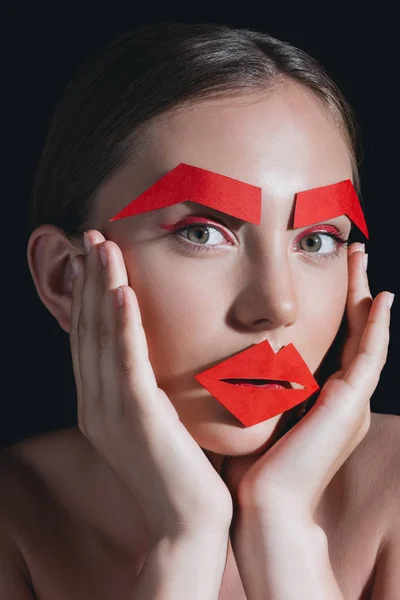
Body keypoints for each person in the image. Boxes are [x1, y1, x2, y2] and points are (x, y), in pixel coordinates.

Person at [0, 22, 398, 599]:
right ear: (66, 277)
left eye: (316, 241)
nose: (277, 306)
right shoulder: (16, 519)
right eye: (203, 233)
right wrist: (184, 539)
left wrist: (282, 524)